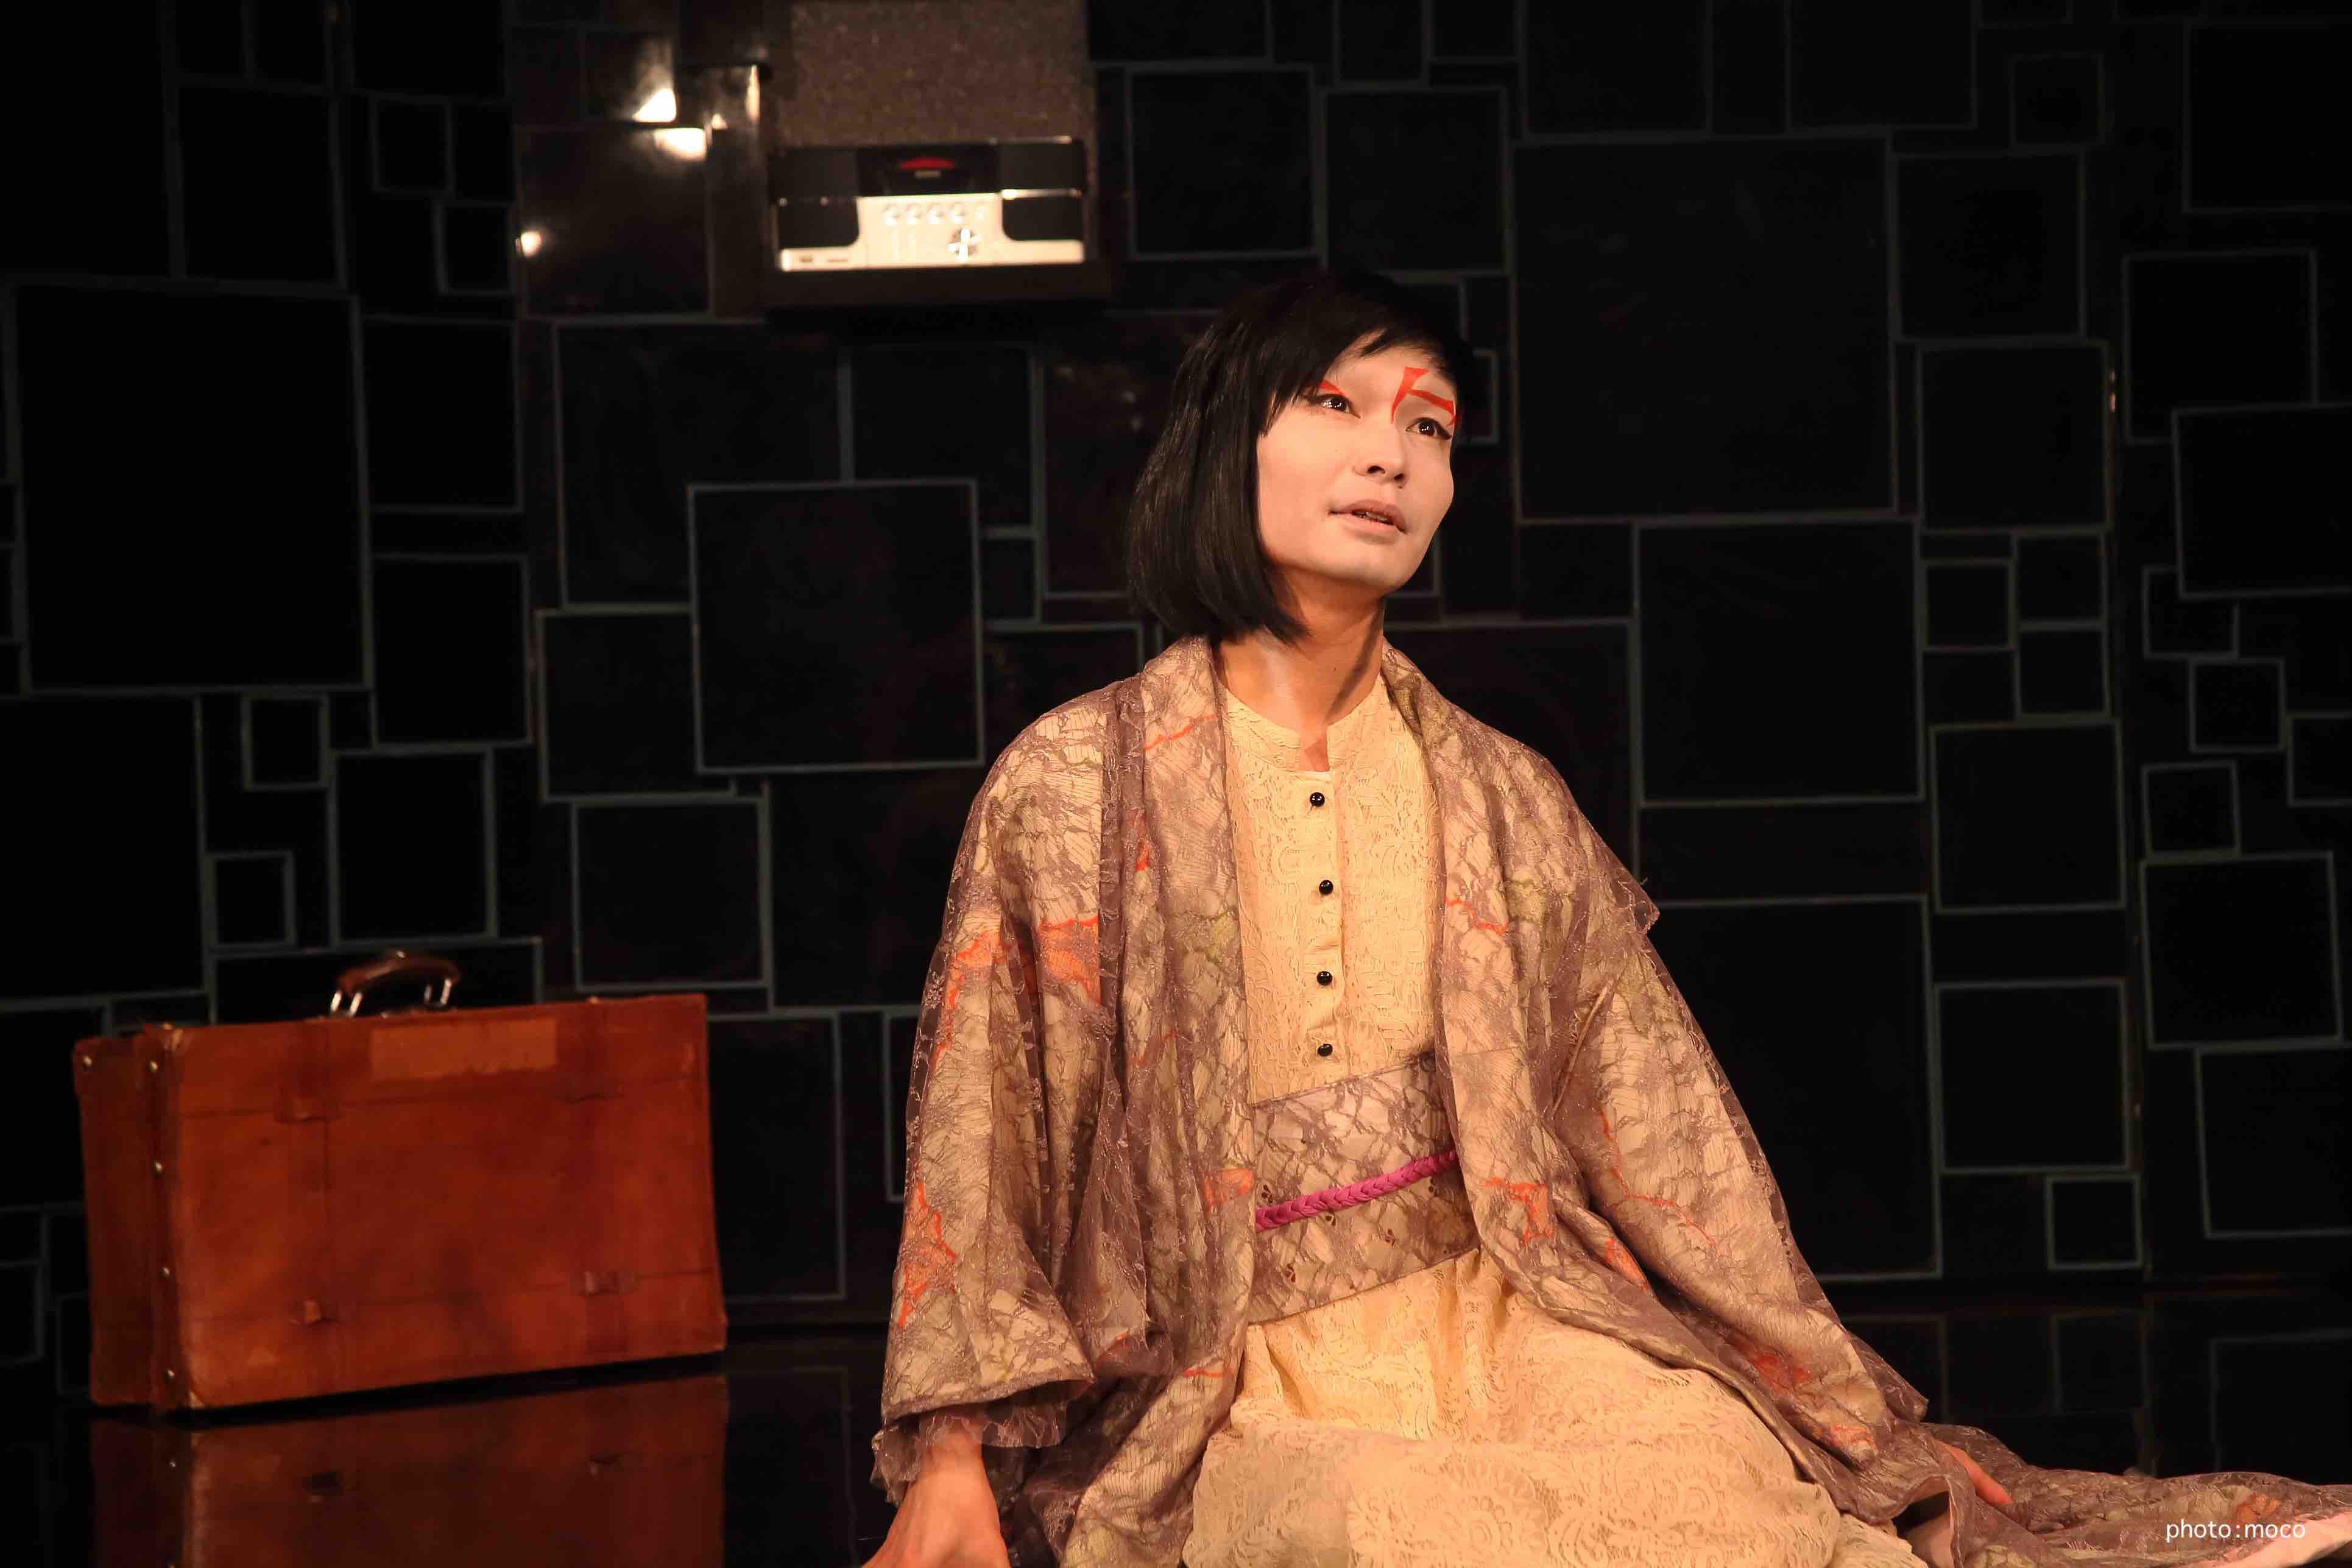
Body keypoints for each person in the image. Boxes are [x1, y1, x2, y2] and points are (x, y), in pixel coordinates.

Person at [859, 266, 2352, 1568]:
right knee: (1393, 1531)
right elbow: (982, 1136)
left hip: (1501, 1306)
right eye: (1333, 404)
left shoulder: (1500, 794)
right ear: (1220, 443)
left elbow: (1657, 1121)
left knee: (1718, 1488)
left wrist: (1810, 1394)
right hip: (1231, 1371)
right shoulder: (1075, 780)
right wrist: (948, 1463)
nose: (1388, 455)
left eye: (1429, 428)